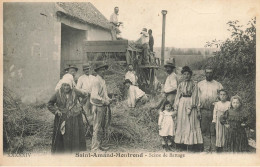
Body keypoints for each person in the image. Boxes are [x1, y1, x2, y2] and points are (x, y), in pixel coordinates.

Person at [47, 76, 86, 153]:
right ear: (62, 85)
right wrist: (56, 110)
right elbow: (49, 104)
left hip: (73, 117)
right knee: (61, 136)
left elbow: (85, 96)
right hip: (61, 117)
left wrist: (79, 105)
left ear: (71, 86)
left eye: (68, 85)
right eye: (64, 85)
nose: (66, 87)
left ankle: (73, 152)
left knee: (74, 135)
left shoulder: (75, 91)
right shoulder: (58, 93)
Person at [174, 66, 203, 151]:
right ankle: (181, 143)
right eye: (184, 74)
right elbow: (177, 96)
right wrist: (176, 107)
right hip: (182, 104)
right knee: (181, 123)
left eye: (188, 74)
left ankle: (190, 144)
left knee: (190, 123)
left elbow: (196, 96)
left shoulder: (194, 84)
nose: (186, 76)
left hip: (191, 104)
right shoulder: (180, 84)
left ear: (191, 75)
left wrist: (192, 107)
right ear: (182, 75)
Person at [197, 66, 223, 152]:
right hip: (203, 110)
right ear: (205, 73)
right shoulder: (200, 84)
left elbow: (223, 97)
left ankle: (214, 149)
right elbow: (197, 98)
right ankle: (206, 149)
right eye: (207, 72)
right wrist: (198, 111)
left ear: (213, 73)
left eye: (210, 72)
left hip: (214, 111)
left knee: (213, 130)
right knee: (204, 130)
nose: (209, 74)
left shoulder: (218, 84)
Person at [90, 62, 112, 151]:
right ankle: (94, 148)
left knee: (102, 127)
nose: (103, 71)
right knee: (97, 127)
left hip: (102, 106)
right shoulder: (96, 81)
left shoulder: (103, 80)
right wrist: (104, 101)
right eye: (101, 70)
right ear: (97, 71)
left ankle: (99, 145)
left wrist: (108, 99)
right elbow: (94, 96)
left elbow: (104, 94)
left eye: (104, 69)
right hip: (97, 106)